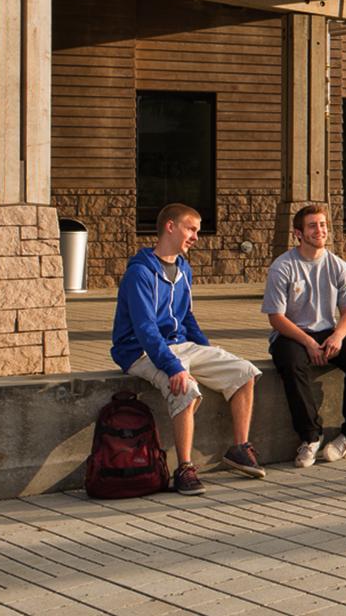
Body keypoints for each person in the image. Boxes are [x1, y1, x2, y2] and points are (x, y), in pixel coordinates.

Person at [111, 202, 266, 495]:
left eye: (197, 230)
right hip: (139, 351)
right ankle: (184, 468)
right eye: (191, 228)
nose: (196, 235)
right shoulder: (139, 273)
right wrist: (174, 368)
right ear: (170, 227)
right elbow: (145, 329)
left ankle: (239, 449)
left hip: (181, 344)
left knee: (244, 371)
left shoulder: (184, 268)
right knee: (185, 386)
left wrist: (207, 352)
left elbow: (187, 317)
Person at [263, 203, 346, 468]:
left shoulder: (338, 266)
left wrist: (337, 337)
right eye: (312, 226)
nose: (319, 230)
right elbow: (276, 317)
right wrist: (308, 342)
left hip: (327, 330)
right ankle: (311, 436)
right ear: (298, 233)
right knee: (290, 362)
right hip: (291, 332)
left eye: (323, 225)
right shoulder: (283, 266)